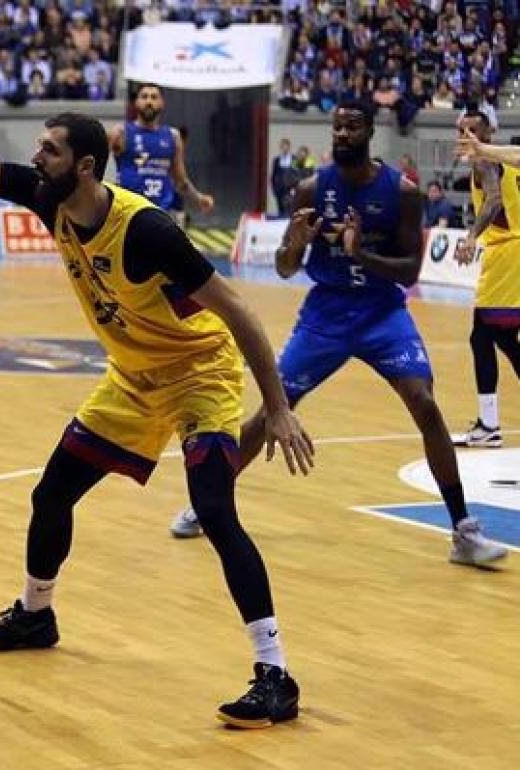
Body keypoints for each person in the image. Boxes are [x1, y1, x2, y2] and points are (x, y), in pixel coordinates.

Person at [0, 37, 311, 728]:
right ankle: (36, 615)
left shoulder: (147, 232)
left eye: (50, 150)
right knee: (52, 492)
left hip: (198, 374)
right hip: (133, 378)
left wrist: (276, 406)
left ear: (85, 166)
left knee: (213, 508)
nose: (37, 158)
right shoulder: (47, 198)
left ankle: (276, 673)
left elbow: (238, 309)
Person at [168, 101, 506, 568]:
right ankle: (208, 504)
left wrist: (361, 255)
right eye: (337, 127)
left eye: (352, 127)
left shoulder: (403, 192)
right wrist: (294, 246)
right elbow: (285, 268)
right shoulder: (311, 189)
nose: (342, 133)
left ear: (369, 132)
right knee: (273, 412)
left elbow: (410, 271)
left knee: (425, 403)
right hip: (325, 315)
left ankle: (463, 531)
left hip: (382, 312)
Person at [449, 112, 520, 448]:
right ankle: (488, 423)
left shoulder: (485, 162)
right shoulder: (507, 160)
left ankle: (489, 425)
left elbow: (493, 200)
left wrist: (471, 236)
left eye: (473, 129)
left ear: (488, 131)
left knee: (481, 336)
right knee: (503, 338)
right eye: (461, 129)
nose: (466, 134)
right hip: (513, 254)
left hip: (507, 253)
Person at [110, 83, 214, 226]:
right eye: (144, 97)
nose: (149, 101)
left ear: (162, 103)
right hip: (128, 215)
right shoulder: (121, 133)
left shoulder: (173, 136)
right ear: (136, 102)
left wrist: (198, 198)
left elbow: (180, 181)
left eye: (154, 97)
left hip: (161, 215)